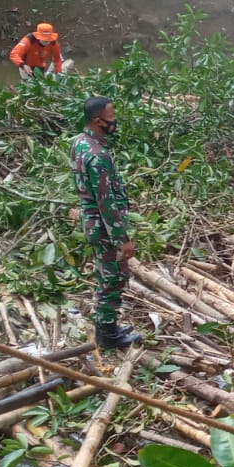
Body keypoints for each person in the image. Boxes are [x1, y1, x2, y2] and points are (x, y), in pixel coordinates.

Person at [71, 97, 141, 350]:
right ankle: (108, 336)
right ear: (98, 121)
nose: (115, 121)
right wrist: (122, 239)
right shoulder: (97, 155)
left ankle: (108, 327)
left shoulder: (79, 142)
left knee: (105, 274)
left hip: (92, 223)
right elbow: (106, 203)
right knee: (113, 278)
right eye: (111, 116)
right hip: (104, 226)